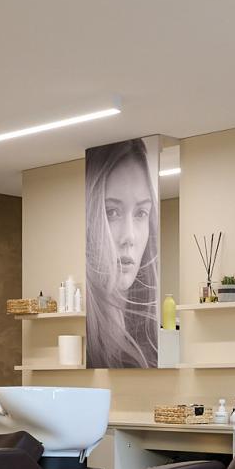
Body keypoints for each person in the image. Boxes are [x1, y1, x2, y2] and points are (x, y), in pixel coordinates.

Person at [84, 138, 159, 367]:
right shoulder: (88, 345)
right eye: (112, 212)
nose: (129, 237)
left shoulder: (152, 344)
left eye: (141, 213)